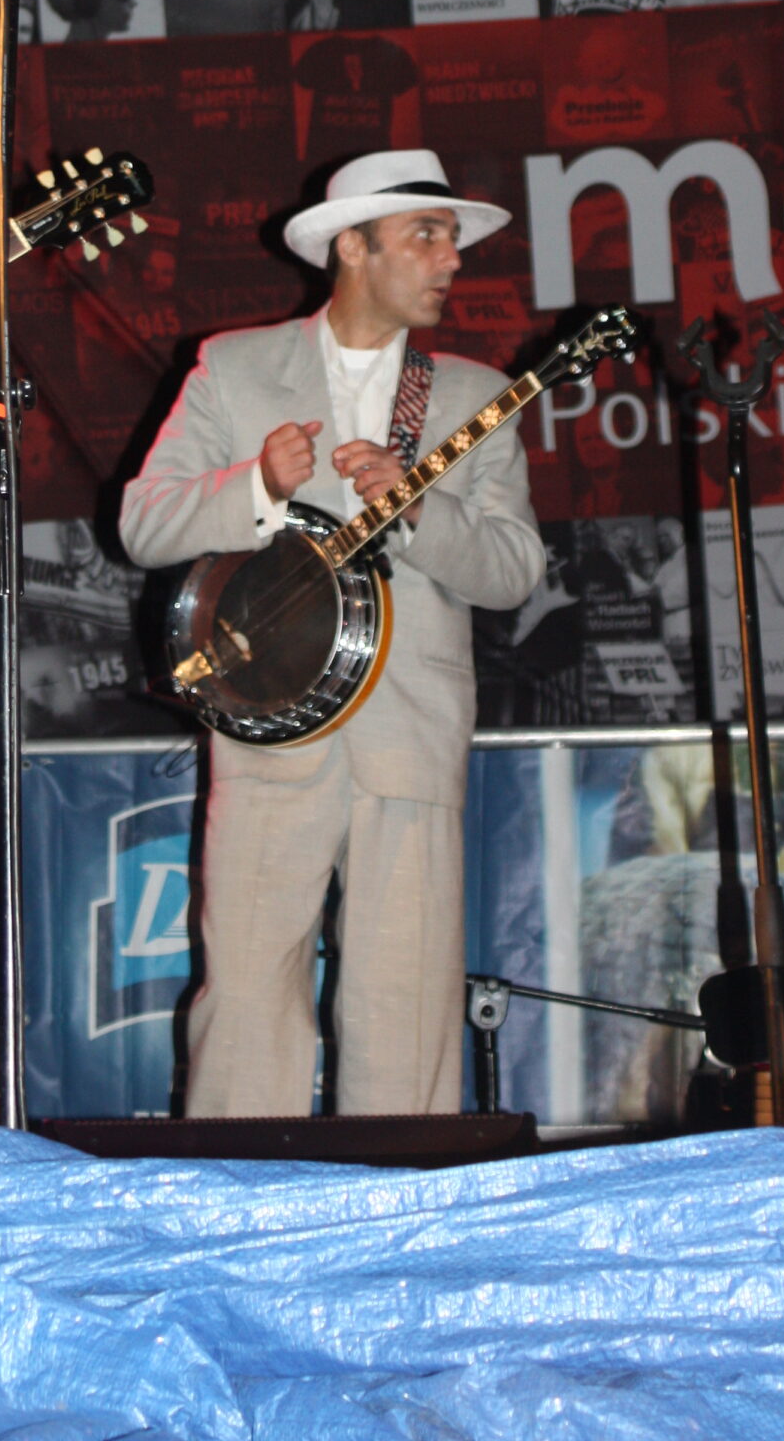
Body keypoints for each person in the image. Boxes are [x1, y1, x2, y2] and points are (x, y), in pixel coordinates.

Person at [119, 149, 543, 1116]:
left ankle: (397, 1195)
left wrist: (420, 509)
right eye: (425, 235)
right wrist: (256, 486)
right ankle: (241, 1191)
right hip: (268, 726)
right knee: (244, 997)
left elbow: (514, 570)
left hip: (411, 728)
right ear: (352, 247)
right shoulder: (235, 366)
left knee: (408, 1004)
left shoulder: (473, 394)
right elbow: (143, 524)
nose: (450, 259)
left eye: (452, 239)